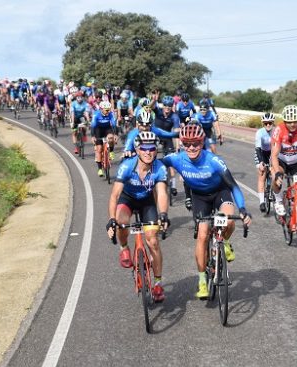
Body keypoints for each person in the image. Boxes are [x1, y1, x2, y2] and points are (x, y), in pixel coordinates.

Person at [162, 123, 252, 299]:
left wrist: (242, 209)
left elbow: (233, 185)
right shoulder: (177, 159)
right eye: (187, 143)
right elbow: (152, 162)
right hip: (199, 198)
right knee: (203, 235)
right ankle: (202, 280)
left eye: (195, 143)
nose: (191, 147)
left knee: (229, 220)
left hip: (220, 191)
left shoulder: (213, 161)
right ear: (181, 143)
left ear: (202, 142)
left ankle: (224, 242)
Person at [106, 132, 169, 302]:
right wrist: (111, 220)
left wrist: (163, 215)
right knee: (121, 222)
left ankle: (157, 283)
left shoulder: (160, 168)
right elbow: (114, 195)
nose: (148, 152)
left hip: (147, 202)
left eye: (152, 148)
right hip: (127, 199)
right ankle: (124, 247)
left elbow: (162, 193)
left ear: (156, 150)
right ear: (137, 149)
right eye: (144, 148)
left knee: (153, 241)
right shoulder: (127, 166)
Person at [255, 113, 275, 212]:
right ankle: (262, 202)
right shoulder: (260, 132)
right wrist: (261, 162)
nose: (268, 125)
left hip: (272, 152)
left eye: (270, 123)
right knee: (262, 173)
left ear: (272, 123)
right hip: (261, 153)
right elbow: (258, 149)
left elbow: (277, 148)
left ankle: (272, 190)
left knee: (274, 170)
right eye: (266, 123)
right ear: (263, 124)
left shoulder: (275, 132)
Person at [91, 101, 117, 176]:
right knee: (99, 149)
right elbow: (93, 126)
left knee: (111, 138)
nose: (108, 111)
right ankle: (99, 169)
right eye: (106, 110)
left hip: (107, 129)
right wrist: (93, 136)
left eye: (109, 109)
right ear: (101, 109)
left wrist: (115, 134)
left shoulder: (111, 114)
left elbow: (114, 125)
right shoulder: (96, 114)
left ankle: (111, 151)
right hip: (98, 130)